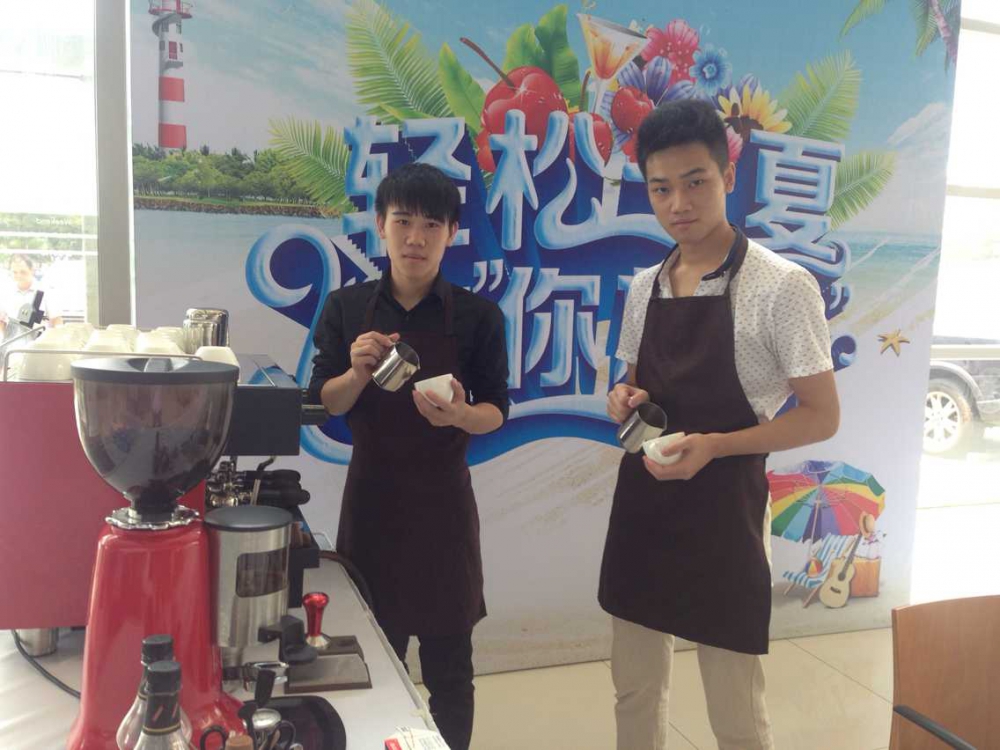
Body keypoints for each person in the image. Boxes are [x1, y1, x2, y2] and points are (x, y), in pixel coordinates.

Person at [599, 99, 841, 750]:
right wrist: (622, 399)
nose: (678, 203)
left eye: (695, 181)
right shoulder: (644, 286)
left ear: (728, 176)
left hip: (726, 513)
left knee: (735, 712)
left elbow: (821, 415)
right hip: (645, 507)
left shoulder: (782, 287)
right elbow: (630, 386)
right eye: (661, 188)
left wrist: (718, 446)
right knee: (634, 689)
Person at [308, 162, 509, 750]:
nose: (415, 238)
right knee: (376, 661)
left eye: (431, 225)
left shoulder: (477, 316)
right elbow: (323, 403)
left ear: (452, 233)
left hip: (444, 506)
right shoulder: (347, 308)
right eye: (402, 222)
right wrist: (356, 372)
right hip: (372, 503)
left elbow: (497, 410)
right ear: (380, 225)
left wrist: (461, 415)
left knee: (451, 670)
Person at [0, 254, 63, 345]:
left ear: (32, 270)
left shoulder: (45, 292)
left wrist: (56, 343)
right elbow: (1, 321)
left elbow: (56, 320)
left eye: (23, 272)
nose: (18, 275)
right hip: (12, 348)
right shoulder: (6, 293)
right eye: (15, 272)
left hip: (39, 347)